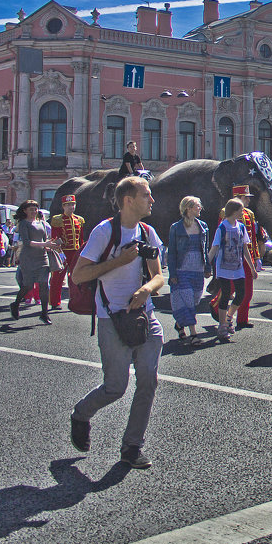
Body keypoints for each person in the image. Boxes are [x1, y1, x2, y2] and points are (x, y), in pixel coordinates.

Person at [69, 175, 165, 470]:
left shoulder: (148, 232)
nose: (152, 200)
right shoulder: (104, 232)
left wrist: (147, 289)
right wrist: (119, 262)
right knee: (116, 387)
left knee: (148, 379)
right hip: (111, 319)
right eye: (146, 195)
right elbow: (79, 275)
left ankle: (132, 446)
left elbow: (160, 275)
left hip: (144, 315)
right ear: (128, 200)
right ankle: (81, 414)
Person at [208, 198, 254, 343]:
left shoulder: (241, 227)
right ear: (234, 211)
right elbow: (215, 247)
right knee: (226, 294)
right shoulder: (222, 227)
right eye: (241, 210)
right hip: (223, 268)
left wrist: (252, 267)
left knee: (241, 294)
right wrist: (207, 263)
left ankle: (229, 317)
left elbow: (245, 247)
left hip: (238, 267)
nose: (243, 212)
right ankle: (222, 326)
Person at [166, 196, 210, 345]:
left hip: (198, 269)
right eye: (197, 206)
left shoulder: (203, 226)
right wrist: (172, 274)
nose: (200, 208)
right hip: (182, 269)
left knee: (195, 299)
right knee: (188, 301)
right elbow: (171, 252)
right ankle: (194, 334)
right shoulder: (176, 228)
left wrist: (208, 267)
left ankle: (179, 325)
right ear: (188, 208)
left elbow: (206, 249)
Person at [10, 201, 59, 325]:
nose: (34, 211)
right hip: (28, 258)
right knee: (28, 286)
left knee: (44, 284)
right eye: (31, 209)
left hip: (42, 257)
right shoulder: (23, 224)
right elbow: (27, 242)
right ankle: (15, 304)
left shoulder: (42, 223)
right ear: (25, 211)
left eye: (35, 209)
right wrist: (45, 244)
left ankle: (44, 313)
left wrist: (51, 245)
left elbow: (44, 240)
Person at [231, 184, 261, 330]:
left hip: (246, 258)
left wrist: (256, 257)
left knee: (247, 292)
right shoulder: (225, 213)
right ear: (238, 198)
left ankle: (242, 319)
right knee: (229, 290)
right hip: (232, 259)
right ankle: (217, 310)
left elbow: (253, 238)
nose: (248, 200)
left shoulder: (249, 213)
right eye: (246, 198)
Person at [49, 194, 86, 310]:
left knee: (76, 278)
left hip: (75, 253)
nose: (71, 207)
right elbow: (55, 238)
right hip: (63, 253)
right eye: (68, 205)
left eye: (73, 204)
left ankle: (76, 300)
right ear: (63, 206)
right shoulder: (57, 219)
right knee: (58, 278)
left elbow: (81, 239)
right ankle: (55, 302)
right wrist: (59, 253)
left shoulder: (79, 220)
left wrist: (81, 252)